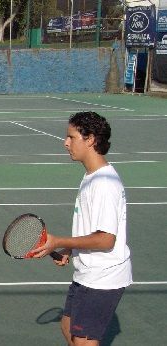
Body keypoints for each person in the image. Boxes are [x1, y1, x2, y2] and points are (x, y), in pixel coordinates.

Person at [32, 111, 131, 345]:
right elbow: (93, 229)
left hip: (103, 277)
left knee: (83, 341)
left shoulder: (104, 184)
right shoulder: (91, 176)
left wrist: (60, 242)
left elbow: (106, 239)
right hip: (87, 273)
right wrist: (69, 251)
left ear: (90, 139)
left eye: (71, 137)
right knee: (68, 326)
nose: (65, 143)